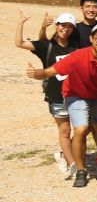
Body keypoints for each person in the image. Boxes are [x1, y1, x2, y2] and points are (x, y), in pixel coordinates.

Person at [26, 21, 97, 188]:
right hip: (75, 94)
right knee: (81, 129)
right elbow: (50, 71)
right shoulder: (78, 56)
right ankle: (80, 170)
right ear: (91, 39)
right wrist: (36, 73)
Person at [15, 11, 79, 179]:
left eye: (69, 26)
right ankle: (72, 164)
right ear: (56, 26)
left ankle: (64, 153)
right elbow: (19, 43)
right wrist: (21, 22)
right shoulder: (47, 46)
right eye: (63, 25)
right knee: (65, 131)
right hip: (56, 95)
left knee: (82, 129)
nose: (65, 29)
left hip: (76, 94)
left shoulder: (77, 47)